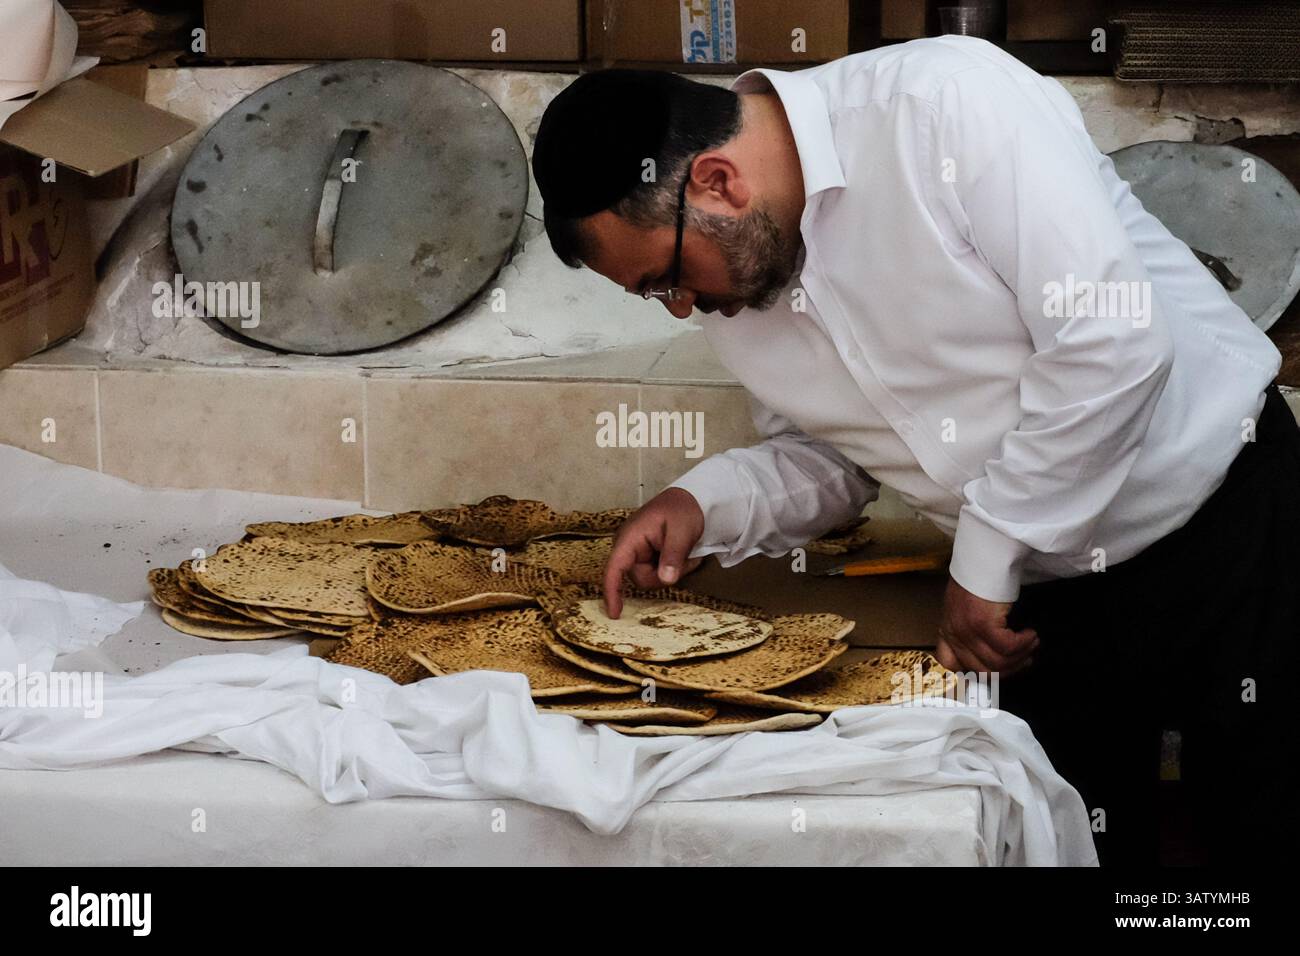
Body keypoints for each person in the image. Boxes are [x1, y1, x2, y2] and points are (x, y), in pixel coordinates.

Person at [530, 36, 1297, 866]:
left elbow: (1110, 344)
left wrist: (985, 560)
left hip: (1231, 520)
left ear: (717, 183)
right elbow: (838, 460)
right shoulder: (741, 284)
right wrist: (704, 504)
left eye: (665, 279)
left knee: (1259, 836)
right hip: (1040, 606)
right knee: (1079, 839)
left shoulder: (944, 107)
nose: (680, 310)